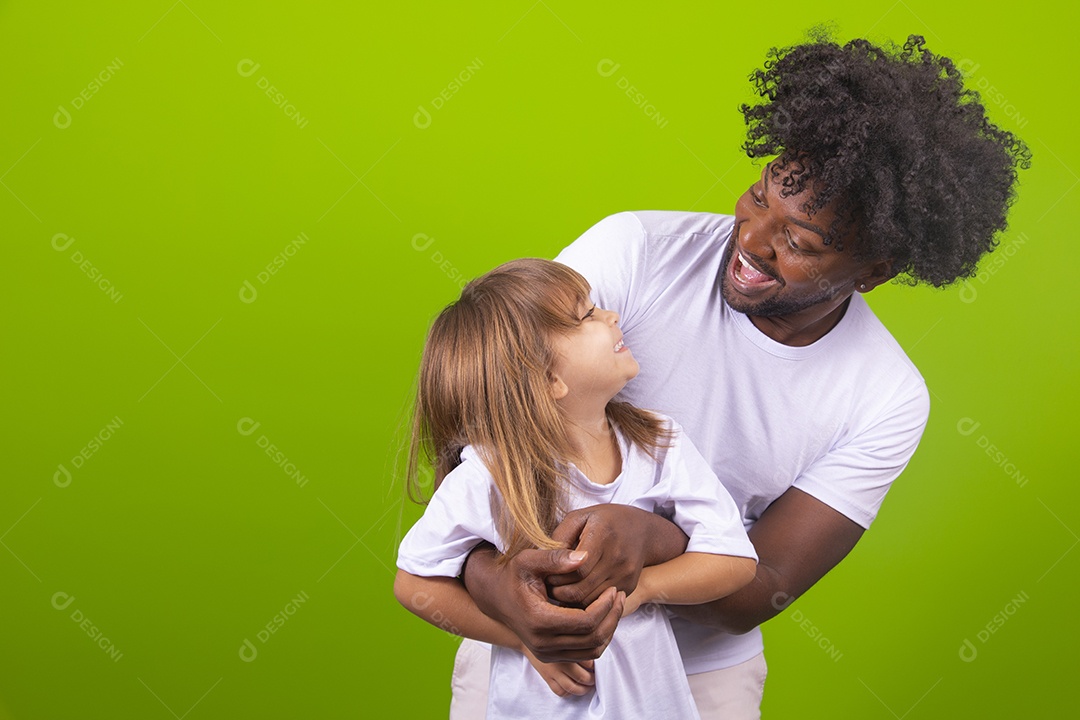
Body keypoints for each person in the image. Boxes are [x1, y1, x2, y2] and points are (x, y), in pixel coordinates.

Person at [453, 33, 1031, 719]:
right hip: (526, 655)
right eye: (760, 198)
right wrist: (496, 588)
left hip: (701, 683)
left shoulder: (885, 397)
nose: (752, 240)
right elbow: (476, 421)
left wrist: (650, 540)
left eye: (799, 242)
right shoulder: (635, 251)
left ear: (873, 272)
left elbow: (763, 587)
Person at [394, 258, 759, 718]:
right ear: (549, 380)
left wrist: (641, 588)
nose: (612, 316)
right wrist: (525, 640)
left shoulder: (658, 442)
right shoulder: (489, 473)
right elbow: (414, 583)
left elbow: (733, 560)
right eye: (587, 315)